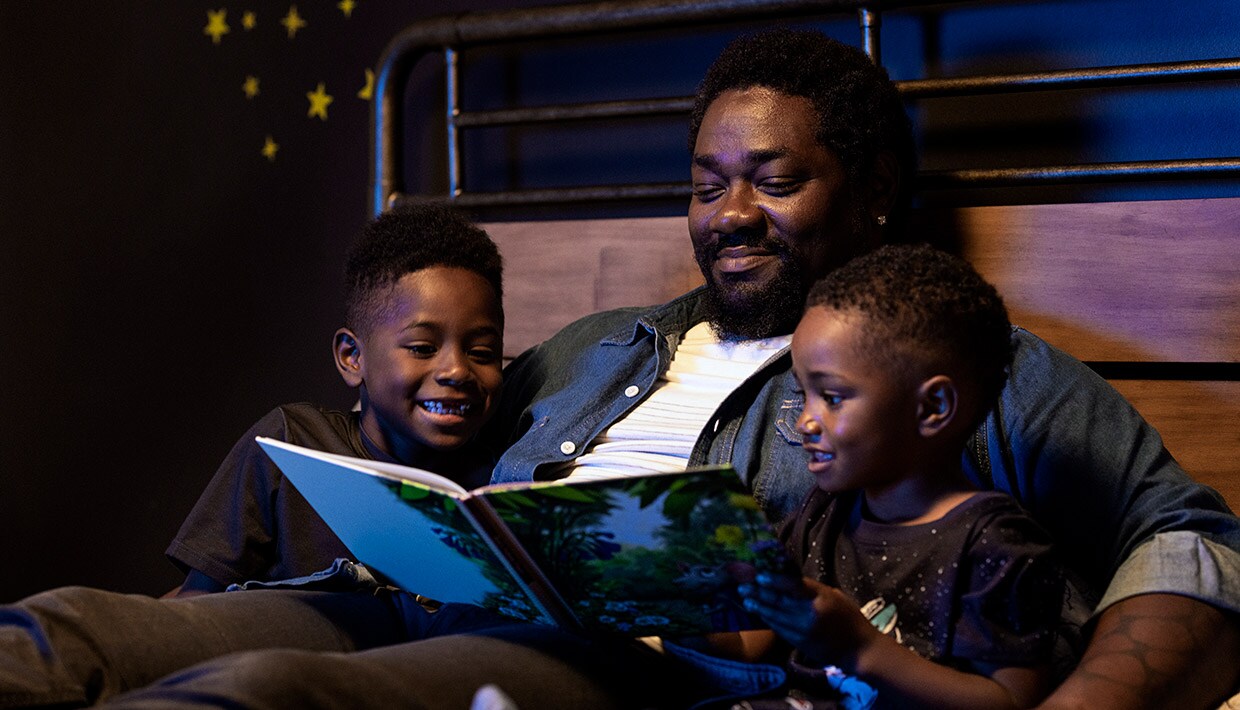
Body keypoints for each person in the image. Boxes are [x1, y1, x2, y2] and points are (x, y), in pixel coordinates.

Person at [0, 28, 1236, 710]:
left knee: (263, 691)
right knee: (64, 629)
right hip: (407, 596)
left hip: (612, 662)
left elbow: (1187, 533)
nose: (728, 213)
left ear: (868, 199)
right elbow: (455, 446)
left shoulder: (945, 360)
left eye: (773, 179)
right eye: (706, 183)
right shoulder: (605, 343)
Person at [732, 243, 1066, 709]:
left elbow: (1010, 701)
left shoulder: (998, 547)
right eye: (802, 395)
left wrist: (860, 649)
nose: (805, 422)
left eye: (831, 397)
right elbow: (752, 644)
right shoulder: (823, 512)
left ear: (932, 407)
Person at [166, 202, 505, 595]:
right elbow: (196, 604)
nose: (458, 371)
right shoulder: (291, 444)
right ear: (352, 357)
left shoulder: (502, 478)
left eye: (481, 353)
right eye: (422, 347)